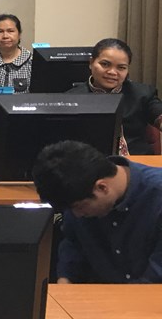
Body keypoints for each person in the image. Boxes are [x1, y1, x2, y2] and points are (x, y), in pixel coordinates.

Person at [33, 140, 162, 283]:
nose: (77, 214)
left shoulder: (157, 196)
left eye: (80, 207)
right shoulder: (77, 194)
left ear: (102, 187)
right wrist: (65, 280)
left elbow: (156, 278)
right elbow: (73, 244)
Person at [65, 38, 162, 156]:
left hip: (137, 162)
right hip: (92, 163)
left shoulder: (143, 93)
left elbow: (158, 113)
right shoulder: (71, 99)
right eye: (105, 64)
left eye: (121, 67)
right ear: (91, 63)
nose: (112, 72)